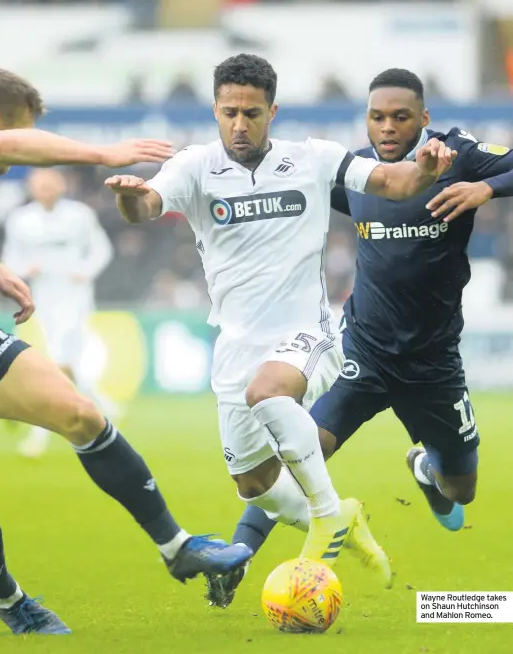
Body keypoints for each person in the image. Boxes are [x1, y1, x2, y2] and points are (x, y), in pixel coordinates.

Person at [104, 55, 455, 601]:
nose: (238, 125)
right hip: (235, 343)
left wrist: (428, 170)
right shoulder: (195, 167)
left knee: (267, 393)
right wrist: (129, 194)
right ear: (215, 111)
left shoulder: (312, 158)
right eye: (228, 113)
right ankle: (348, 517)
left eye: (250, 113)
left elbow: (392, 180)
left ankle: (326, 514)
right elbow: (146, 206)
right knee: (255, 483)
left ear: (273, 111)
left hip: (308, 334)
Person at [0, 65, 252, 635]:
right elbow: (7, 143)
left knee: (83, 413)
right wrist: (105, 154)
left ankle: (176, 546)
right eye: (24, 132)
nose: (23, 153)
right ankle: (10, 602)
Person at [216, 67, 513, 609]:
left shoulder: (458, 155)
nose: (388, 127)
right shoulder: (355, 174)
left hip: (434, 364)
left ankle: (425, 468)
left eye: (401, 117)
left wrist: (485, 187)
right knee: (298, 451)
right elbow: (285, 189)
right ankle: (239, 550)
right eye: (377, 117)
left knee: (459, 491)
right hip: (364, 353)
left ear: (423, 118)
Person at [2, 168, 114, 458]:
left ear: (61, 185)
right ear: (32, 188)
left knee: (60, 356)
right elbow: (10, 259)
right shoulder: (20, 220)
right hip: (43, 298)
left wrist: (85, 271)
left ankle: (42, 430)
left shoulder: (80, 215)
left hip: (76, 296)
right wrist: (26, 270)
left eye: (50, 184)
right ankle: (99, 407)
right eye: (40, 185)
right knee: (64, 358)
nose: (46, 190)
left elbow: (102, 249)